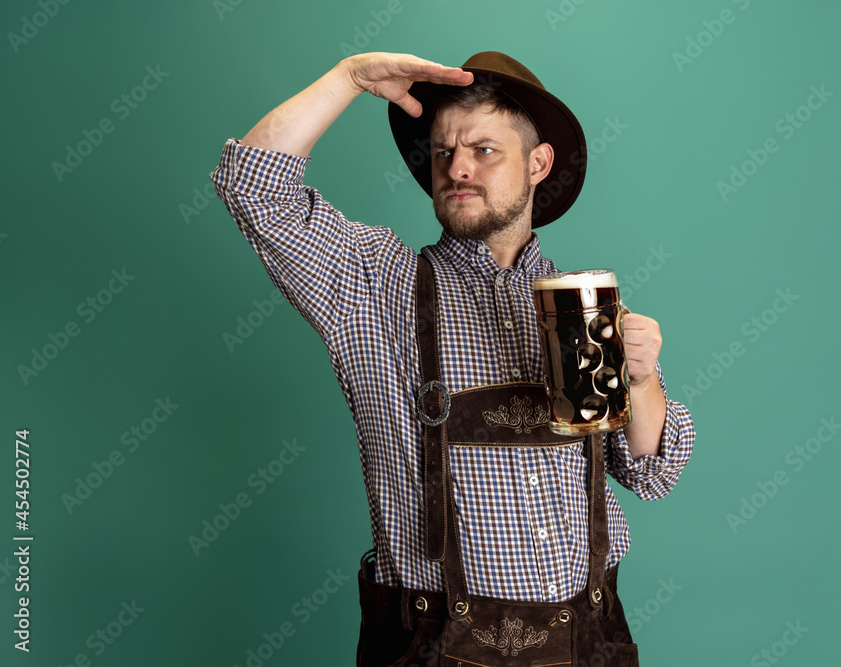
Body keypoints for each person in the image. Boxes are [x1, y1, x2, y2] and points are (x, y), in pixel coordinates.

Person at [211, 50, 695, 666]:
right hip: (434, 644)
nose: (458, 168)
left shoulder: (579, 304)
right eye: (444, 152)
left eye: (484, 150)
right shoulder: (374, 286)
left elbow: (651, 472)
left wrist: (643, 379)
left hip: (589, 637)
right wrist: (348, 79)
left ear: (538, 163)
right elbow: (253, 185)